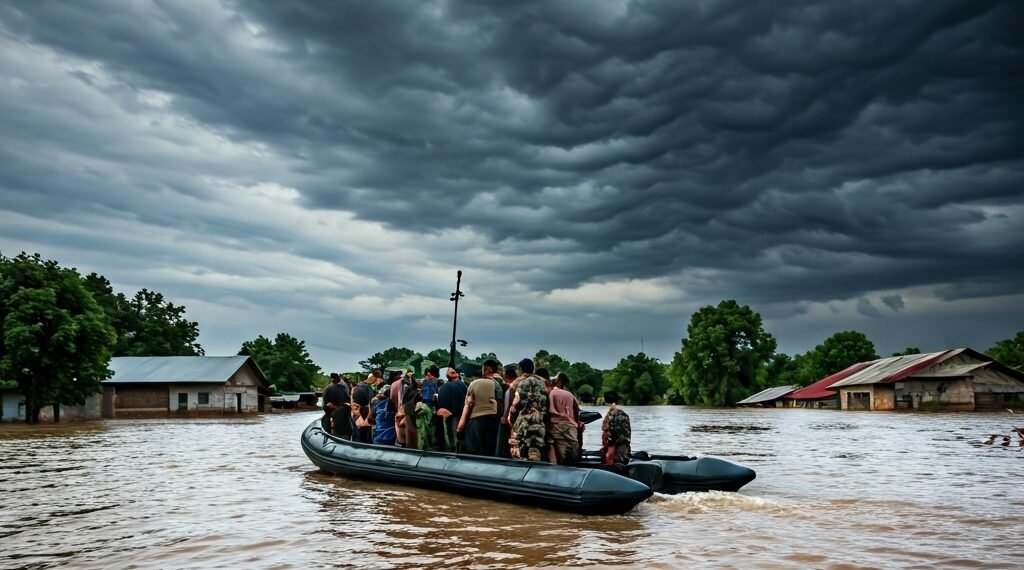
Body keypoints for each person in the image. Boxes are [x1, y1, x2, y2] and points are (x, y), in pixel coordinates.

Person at [457, 363, 500, 456]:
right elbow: (500, 401)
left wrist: (460, 427)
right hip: (493, 420)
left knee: (474, 452)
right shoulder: (496, 384)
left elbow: (468, 404)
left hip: (476, 421)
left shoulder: (473, 384)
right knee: (489, 452)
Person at [510, 358, 548, 461]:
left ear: (521, 369)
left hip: (524, 418)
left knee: (515, 445)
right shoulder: (542, 383)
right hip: (539, 419)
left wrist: (510, 416)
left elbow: (516, 402)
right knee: (534, 446)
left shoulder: (519, 382)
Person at [547, 372, 581, 465]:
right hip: (571, 427)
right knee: (573, 453)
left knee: (560, 455)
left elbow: (549, 411)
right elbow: (576, 412)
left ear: (558, 381)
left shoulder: (551, 393)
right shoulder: (570, 395)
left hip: (556, 427)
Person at [436, 366, 467, 452]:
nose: (449, 372)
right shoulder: (460, 385)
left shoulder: (460, 385)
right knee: (452, 438)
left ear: (457, 374)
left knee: (454, 438)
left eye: (453, 371)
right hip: (451, 415)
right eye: (448, 371)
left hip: (455, 415)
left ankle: (456, 452)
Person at [416, 365, 444, 451]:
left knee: (424, 433)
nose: (426, 377)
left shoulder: (428, 383)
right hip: (430, 410)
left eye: (428, 375)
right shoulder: (433, 383)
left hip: (428, 410)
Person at [601, 391, 631, 465]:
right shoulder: (623, 414)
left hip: (614, 447)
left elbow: (610, 434)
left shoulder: (610, 415)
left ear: (605, 401)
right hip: (624, 447)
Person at [496, 364, 518, 458]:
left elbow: (507, 406)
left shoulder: (509, 389)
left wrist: (504, 418)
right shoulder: (520, 387)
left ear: (506, 376)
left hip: (508, 421)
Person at [351, 374, 376, 443]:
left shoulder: (356, 388)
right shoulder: (367, 388)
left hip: (358, 415)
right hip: (363, 415)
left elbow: (353, 402)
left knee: (357, 438)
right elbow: (370, 402)